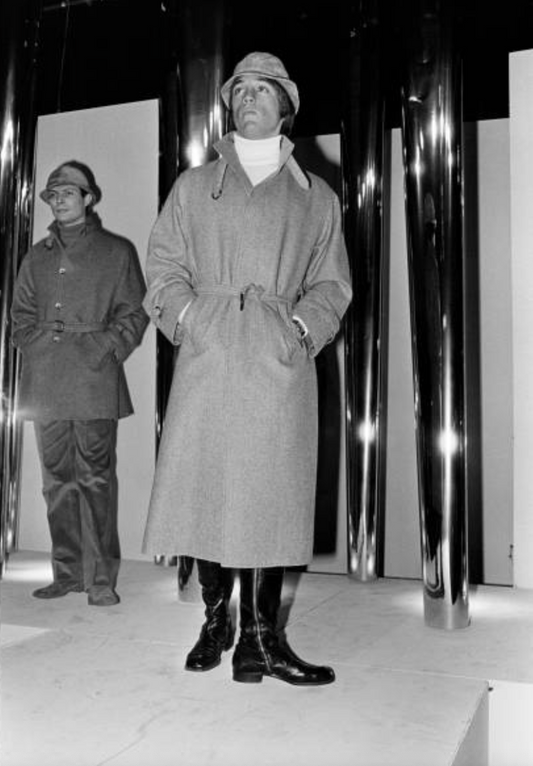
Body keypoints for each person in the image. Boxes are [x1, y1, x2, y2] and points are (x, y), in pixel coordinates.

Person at [142, 52, 352, 684]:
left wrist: (298, 331)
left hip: (275, 356)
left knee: (270, 495)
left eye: (264, 89)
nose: (250, 97)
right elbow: (163, 266)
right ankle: (217, 621)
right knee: (203, 485)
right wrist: (190, 320)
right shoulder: (193, 187)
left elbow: (332, 285)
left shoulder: (316, 197)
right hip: (208, 353)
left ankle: (262, 640)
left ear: (286, 106)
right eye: (241, 90)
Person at [11, 160, 149, 607]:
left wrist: (102, 348)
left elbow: (134, 313)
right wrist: (41, 347)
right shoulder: (36, 256)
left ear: (88, 199)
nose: (60, 200)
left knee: (94, 479)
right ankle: (66, 574)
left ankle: (100, 581)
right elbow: (19, 318)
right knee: (55, 481)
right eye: (53, 195)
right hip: (46, 381)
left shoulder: (116, 251)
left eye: (69, 193)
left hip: (93, 380)